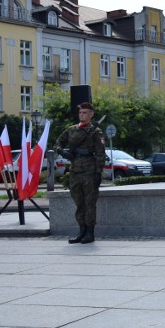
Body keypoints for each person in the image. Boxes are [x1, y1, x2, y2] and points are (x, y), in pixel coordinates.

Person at [54, 102, 106, 244]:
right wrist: (62, 152)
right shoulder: (71, 130)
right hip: (75, 170)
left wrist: (98, 172)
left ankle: (90, 233)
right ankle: (81, 231)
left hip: (89, 170)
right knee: (79, 203)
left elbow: (101, 153)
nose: (81, 114)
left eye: (84, 112)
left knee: (90, 203)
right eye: (80, 112)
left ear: (91, 114)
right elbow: (58, 143)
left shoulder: (96, 131)